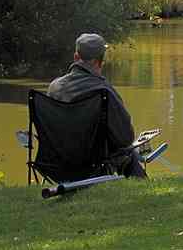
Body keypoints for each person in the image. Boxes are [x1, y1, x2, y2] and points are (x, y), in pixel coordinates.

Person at [47, 33, 146, 178]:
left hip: (57, 164)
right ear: (101, 61)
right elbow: (125, 138)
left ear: (76, 57)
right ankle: (143, 190)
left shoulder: (55, 87)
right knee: (128, 152)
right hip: (94, 166)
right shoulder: (104, 91)